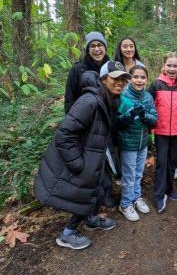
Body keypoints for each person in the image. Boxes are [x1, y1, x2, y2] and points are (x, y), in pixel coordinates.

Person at [35, 62, 131, 250]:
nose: (120, 83)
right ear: (103, 79)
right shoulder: (89, 101)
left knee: (98, 189)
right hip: (84, 160)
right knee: (84, 194)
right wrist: (79, 164)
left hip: (95, 157)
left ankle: (92, 219)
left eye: (122, 80)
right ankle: (67, 234)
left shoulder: (107, 100)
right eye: (115, 78)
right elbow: (64, 135)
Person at [148, 52, 177, 213]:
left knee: (172, 162)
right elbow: (150, 108)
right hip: (160, 131)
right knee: (162, 163)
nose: (172, 68)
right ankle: (159, 195)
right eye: (169, 65)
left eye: (175, 66)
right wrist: (151, 129)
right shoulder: (156, 85)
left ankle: (169, 189)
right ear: (164, 66)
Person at [116, 65, 157, 221]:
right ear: (130, 78)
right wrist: (129, 114)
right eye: (136, 77)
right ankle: (125, 204)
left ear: (147, 79)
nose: (139, 80)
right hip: (128, 143)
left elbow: (154, 120)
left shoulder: (148, 97)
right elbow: (117, 122)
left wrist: (144, 115)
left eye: (143, 77)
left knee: (139, 173)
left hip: (143, 142)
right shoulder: (123, 95)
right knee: (129, 175)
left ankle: (135, 197)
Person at [64, 31, 110, 113]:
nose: (96, 49)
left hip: (107, 116)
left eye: (100, 45)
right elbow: (69, 99)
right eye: (92, 46)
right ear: (88, 50)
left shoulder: (110, 67)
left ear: (105, 48)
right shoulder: (77, 69)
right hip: (84, 117)